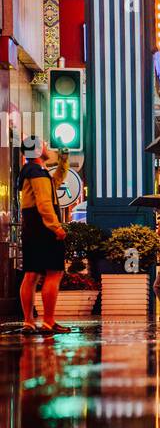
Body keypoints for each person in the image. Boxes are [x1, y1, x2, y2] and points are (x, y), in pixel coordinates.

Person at [17, 136, 69, 335]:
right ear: (38, 150)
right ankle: (48, 321)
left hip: (32, 227)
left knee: (31, 273)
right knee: (54, 272)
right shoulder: (36, 172)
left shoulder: (34, 171)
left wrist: (63, 161)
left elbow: (54, 184)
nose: (47, 147)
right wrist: (55, 227)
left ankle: (29, 322)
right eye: (44, 144)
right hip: (42, 228)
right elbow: (44, 203)